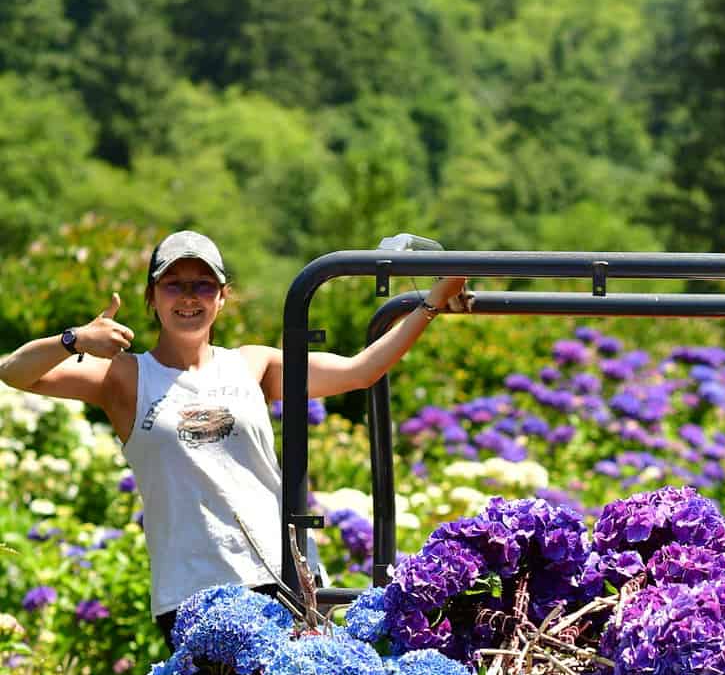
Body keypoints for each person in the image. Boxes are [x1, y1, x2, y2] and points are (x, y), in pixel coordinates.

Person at [0, 230, 468, 642]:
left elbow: (361, 370)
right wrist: (74, 340)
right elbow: (13, 373)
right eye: (174, 284)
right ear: (152, 296)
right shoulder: (125, 377)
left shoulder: (252, 363)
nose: (189, 296)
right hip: (191, 592)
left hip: (282, 577)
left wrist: (429, 304)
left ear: (222, 297)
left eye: (202, 284)